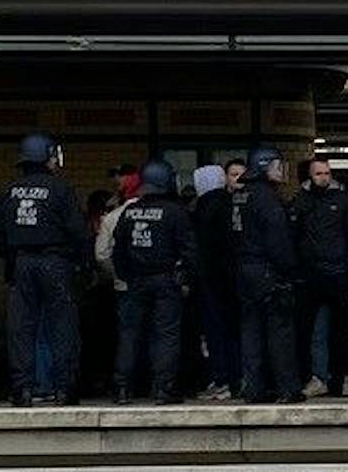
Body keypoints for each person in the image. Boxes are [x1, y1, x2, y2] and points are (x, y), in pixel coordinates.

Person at [0, 132, 83, 406]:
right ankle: (63, 389)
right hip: (56, 262)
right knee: (61, 326)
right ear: (47, 157)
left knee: (21, 328)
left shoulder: (8, 191)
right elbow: (78, 231)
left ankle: (22, 389)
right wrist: (82, 263)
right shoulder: (60, 189)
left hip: (21, 263)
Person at [111, 159, 197, 405]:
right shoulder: (175, 212)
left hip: (136, 280)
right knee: (167, 334)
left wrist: (127, 276)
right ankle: (163, 389)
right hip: (166, 280)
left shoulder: (130, 211)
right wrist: (187, 276)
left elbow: (118, 251)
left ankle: (122, 388)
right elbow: (190, 250)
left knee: (130, 334)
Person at [232, 144, 302, 403]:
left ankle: (254, 388)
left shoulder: (241, 195)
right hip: (268, 271)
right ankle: (287, 388)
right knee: (279, 332)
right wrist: (290, 271)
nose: (281, 171)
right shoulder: (268, 198)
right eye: (277, 165)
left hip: (244, 270)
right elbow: (278, 242)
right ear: (265, 167)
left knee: (251, 332)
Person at [292, 156, 348, 397]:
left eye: (326, 173)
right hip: (311, 274)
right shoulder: (300, 200)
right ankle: (317, 377)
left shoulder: (343, 200)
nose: (324, 177)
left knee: (342, 330)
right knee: (311, 331)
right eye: (319, 174)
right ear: (310, 176)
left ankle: (344, 378)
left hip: (337, 273)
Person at [191, 163, 239, 398]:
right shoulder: (232, 204)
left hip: (210, 280)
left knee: (215, 331)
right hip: (234, 278)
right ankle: (235, 378)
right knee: (234, 329)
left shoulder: (202, 208)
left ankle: (221, 379)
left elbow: (196, 248)